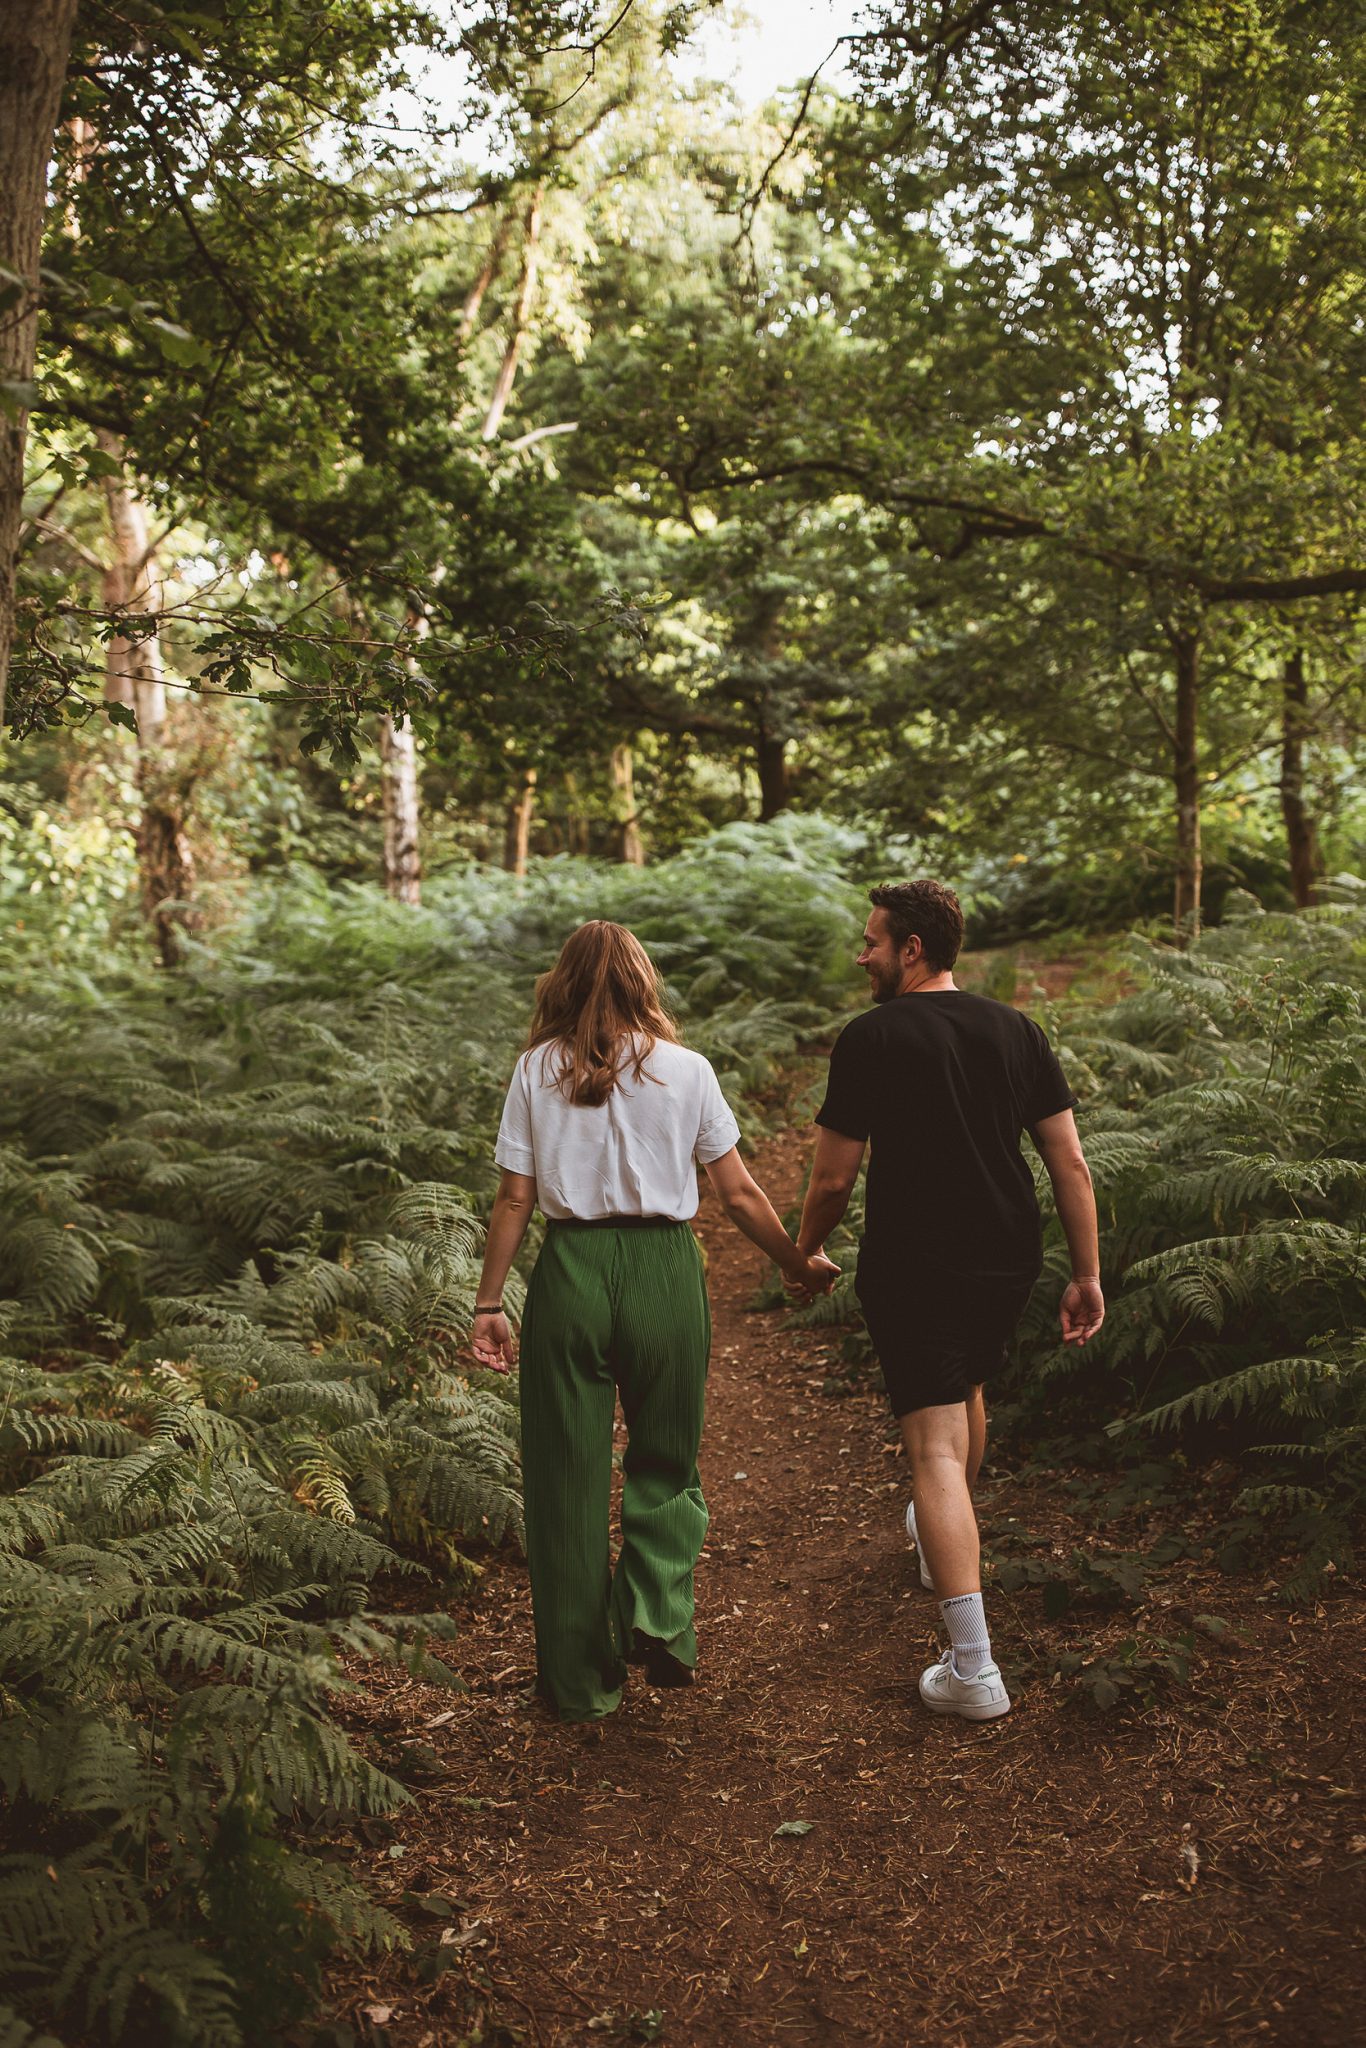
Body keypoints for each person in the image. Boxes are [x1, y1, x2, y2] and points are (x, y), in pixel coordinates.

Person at [471, 919, 837, 1724]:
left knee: (565, 1482)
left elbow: (514, 1199)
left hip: (571, 1273)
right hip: (665, 1273)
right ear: (644, 982)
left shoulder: (536, 1070)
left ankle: (578, 1685)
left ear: (560, 985)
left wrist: (489, 1304)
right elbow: (738, 1193)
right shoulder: (688, 1070)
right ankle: (658, 1620)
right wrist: (793, 1260)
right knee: (667, 1456)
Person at [793, 880, 1104, 1722]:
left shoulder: (873, 1036)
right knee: (968, 1389)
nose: (861, 955)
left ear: (912, 950)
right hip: (1007, 1255)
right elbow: (1068, 1163)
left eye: (871, 942)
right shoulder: (1016, 1029)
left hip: (916, 1261)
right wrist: (1086, 1274)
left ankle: (975, 1669)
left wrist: (804, 1248)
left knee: (931, 1448)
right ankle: (943, 1550)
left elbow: (832, 1174)